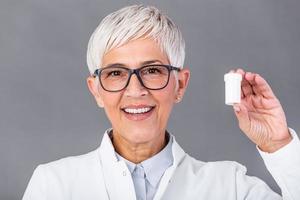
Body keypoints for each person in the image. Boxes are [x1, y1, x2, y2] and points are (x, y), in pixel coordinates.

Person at [23, 4, 300, 200]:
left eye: (152, 71)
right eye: (116, 73)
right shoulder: (54, 186)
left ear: (180, 84)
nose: (135, 90)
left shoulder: (231, 187)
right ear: (96, 90)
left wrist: (278, 144)